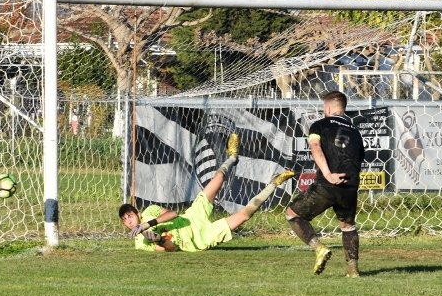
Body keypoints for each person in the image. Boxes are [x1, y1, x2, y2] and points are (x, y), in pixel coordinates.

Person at [119, 133, 294, 252]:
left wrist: (147, 224)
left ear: (137, 212)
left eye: (129, 215)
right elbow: (173, 249)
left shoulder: (149, 212)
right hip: (198, 239)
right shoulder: (140, 242)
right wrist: (158, 239)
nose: (128, 220)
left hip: (191, 217)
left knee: (217, 180)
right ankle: (274, 183)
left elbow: (173, 214)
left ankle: (232, 157)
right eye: (125, 220)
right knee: (243, 216)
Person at [285, 91, 366, 277]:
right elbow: (359, 159)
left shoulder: (319, 125)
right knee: (348, 226)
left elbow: (315, 147)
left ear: (328, 108)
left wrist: (329, 174)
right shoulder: (356, 132)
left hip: (328, 184)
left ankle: (319, 248)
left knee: (292, 215)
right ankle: (353, 271)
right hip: (350, 186)